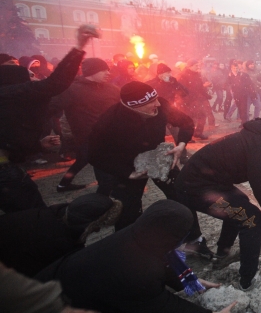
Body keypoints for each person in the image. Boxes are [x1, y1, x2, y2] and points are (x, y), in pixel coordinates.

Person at [36, 200, 236, 313]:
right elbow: (162, 306)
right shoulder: (137, 269)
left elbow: (165, 257)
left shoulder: (140, 234)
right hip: (52, 303)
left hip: (61, 281)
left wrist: (191, 281)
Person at [175, 113, 261, 291]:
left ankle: (222, 252)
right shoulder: (260, 146)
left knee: (240, 201)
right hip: (196, 188)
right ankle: (247, 279)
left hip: (206, 182)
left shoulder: (256, 137)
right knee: (251, 218)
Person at [0, 25, 98, 213]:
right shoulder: (13, 93)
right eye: (29, 74)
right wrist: (79, 46)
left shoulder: (9, 100)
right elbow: (56, 83)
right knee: (34, 217)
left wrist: (38, 145)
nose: (34, 77)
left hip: (8, 169)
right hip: (5, 175)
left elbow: (10, 138)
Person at [88, 81, 194, 231]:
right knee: (127, 211)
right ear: (134, 106)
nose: (157, 104)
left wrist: (181, 145)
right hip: (129, 166)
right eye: (151, 102)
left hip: (160, 158)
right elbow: (93, 154)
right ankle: (130, 245)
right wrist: (127, 173)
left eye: (156, 98)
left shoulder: (161, 104)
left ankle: (194, 239)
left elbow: (186, 122)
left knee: (182, 196)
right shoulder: (110, 121)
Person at [0, 193, 121, 277]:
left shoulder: (56, 213)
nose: (98, 230)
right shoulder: (59, 242)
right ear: (89, 224)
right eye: (98, 226)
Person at [49, 58, 120, 192]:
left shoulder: (112, 89)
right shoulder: (72, 90)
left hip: (110, 136)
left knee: (83, 160)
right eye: (103, 70)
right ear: (91, 71)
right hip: (87, 136)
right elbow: (50, 108)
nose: (108, 73)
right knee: (99, 166)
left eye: (108, 70)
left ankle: (64, 184)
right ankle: (104, 197)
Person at [180, 60, 214, 140]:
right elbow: (182, 90)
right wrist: (187, 100)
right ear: (190, 66)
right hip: (188, 101)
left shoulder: (197, 74)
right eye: (196, 65)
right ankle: (187, 137)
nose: (198, 67)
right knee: (190, 119)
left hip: (198, 100)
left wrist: (207, 96)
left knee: (202, 115)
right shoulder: (183, 75)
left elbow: (200, 87)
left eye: (198, 65)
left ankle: (198, 133)